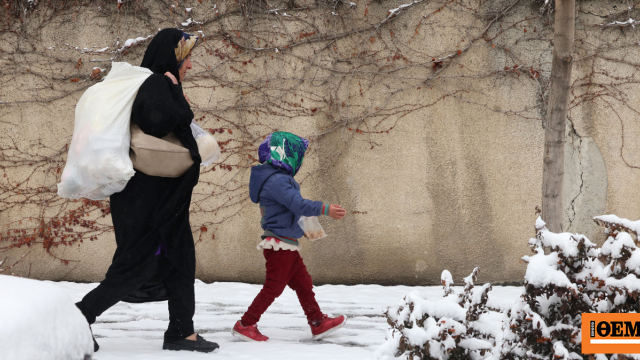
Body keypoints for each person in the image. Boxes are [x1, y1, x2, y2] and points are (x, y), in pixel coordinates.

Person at [75, 28, 219, 353]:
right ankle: (77, 317)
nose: (191, 66)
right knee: (133, 268)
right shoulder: (154, 83)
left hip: (167, 200)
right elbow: (157, 122)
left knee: (181, 262)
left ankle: (182, 332)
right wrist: (172, 90)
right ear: (171, 57)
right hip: (147, 203)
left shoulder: (158, 84)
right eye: (187, 59)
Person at [232, 131, 348, 342]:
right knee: (274, 286)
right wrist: (325, 208)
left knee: (304, 282)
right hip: (279, 244)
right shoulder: (276, 181)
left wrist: (305, 225)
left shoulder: (277, 179)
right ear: (286, 155)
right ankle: (246, 324)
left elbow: (291, 209)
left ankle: (317, 322)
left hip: (287, 243)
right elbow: (299, 205)